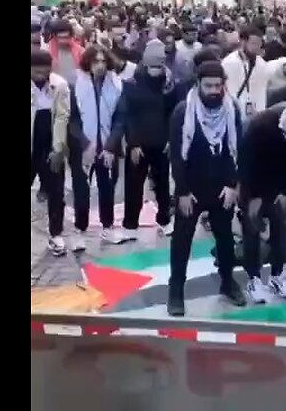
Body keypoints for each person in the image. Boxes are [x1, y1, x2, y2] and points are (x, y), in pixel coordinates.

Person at [167, 61, 248, 316]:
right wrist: (181, 191)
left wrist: (233, 185)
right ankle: (176, 290)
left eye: (218, 85)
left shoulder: (231, 108)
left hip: (222, 187)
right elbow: (177, 157)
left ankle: (227, 281)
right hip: (191, 188)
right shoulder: (183, 112)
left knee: (225, 238)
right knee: (182, 241)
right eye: (208, 86)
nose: (214, 90)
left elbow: (237, 151)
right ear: (198, 85)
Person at [238, 102, 286, 302]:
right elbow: (246, 167)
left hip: (278, 179)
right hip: (254, 179)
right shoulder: (257, 129)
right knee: (252, 227)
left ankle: (276, 275)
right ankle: (253, 278)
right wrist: (252, 198)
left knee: (281, 226)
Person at [107, 42, 179, 238]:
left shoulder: (169, 85)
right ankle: (130, 224)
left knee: (163, 184)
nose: (157, 70)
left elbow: (173, 114)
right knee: (133, 186)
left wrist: (171, 140)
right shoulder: (131, 85)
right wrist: (133, 143)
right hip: (138, 144)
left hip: (162, 142)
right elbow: (127, 115)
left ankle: (164, 220)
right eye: (153, 65)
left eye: (160, 65)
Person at [69, 46, 127, 247]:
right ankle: (80, 230)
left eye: (103, 61)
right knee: (82, 191)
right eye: (96, 62)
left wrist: (111, 146)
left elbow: (120, 119)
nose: (100, 66)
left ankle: (107, 226)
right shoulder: (76, 85)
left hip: (107, 146)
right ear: (88, 63)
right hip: (83, 147)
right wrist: (85, 144)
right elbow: (73, 120)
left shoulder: (117, 85)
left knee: (107, 189)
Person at [31, 49, 71, 256]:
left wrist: (58, 149)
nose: (40, 75)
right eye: (35, 71)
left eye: (44, 70)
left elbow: (62, 117)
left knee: (56, 192)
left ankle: (56, 235)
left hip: (50, 144)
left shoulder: (60, 85)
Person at [223, 25, 286, 117]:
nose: (257, 47)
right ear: (243, 42)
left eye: (259, 44)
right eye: (254, 43)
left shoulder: (261, 63)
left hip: (258, 112)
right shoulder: (229, 62)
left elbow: (262, 88)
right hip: (235, 112)